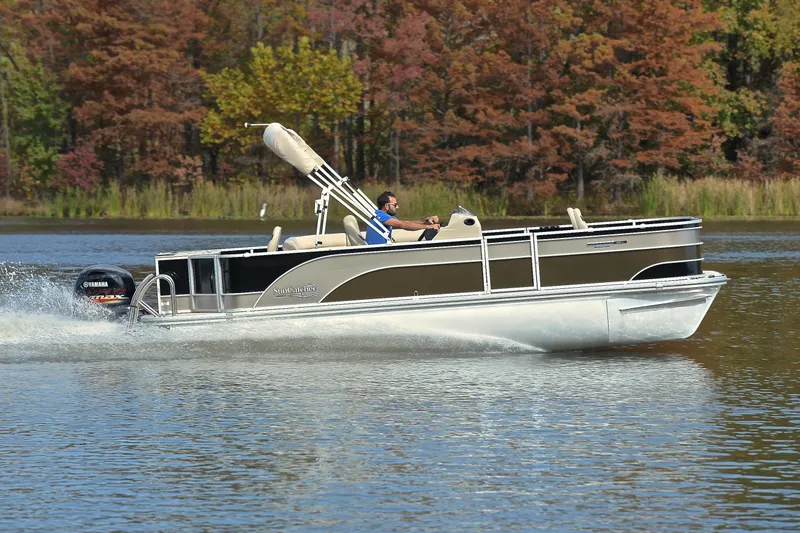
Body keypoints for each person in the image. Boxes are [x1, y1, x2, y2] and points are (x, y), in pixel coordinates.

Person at [365, 191, 440, 245]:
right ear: (386, 206)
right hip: (379, 253)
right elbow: (403, 225)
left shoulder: (387, 216)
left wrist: (426, 220)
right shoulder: (381, 216)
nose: (397, 207)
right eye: (395, 205)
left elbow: (407, 223)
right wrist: (429, 227)